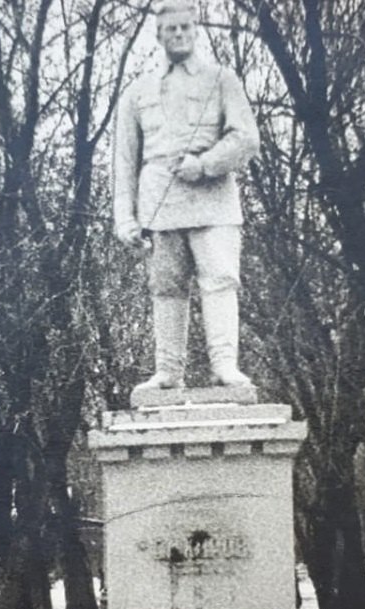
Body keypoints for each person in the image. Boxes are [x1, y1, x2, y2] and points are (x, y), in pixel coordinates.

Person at [112, 0, 260, 394]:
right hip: (160, 204)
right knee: (166, 287)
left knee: (220, 280)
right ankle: (168, 372)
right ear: (158, 34)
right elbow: (124, 159)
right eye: (171, 28)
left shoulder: (221, 79)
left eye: (185, 27)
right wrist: (125, 218)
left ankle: (226, 367)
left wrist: (207, 163)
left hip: (214, 201)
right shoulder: (138, 92)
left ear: (196, 30)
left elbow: (246, 138)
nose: (178, 34)